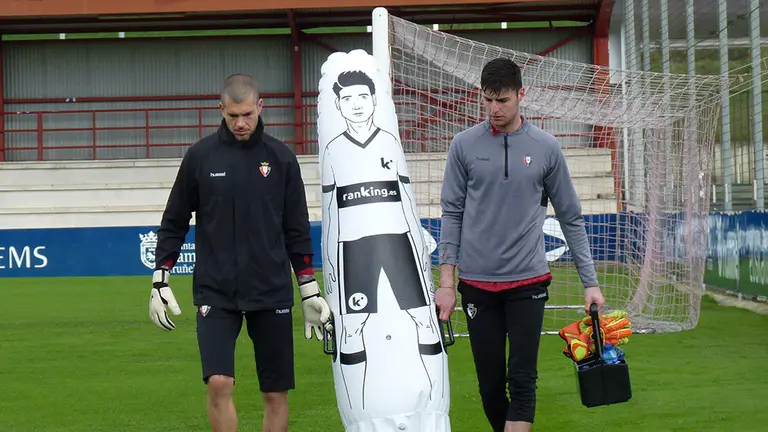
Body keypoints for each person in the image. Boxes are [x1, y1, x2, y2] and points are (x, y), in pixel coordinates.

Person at [147, 73, 332, 432]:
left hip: (271, 289)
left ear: (260, 107)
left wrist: (308, 289)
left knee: (275, 393)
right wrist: (160, 278)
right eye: (233, 116)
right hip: (216, 290)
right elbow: (174, 221)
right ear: (222, 110)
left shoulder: (281, 158)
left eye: (247, 114)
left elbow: (296, 229)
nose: (241, 123)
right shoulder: (200, 157)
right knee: (218, 382)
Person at [434, 58, 606, 432]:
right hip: (476, 285)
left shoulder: (546, 147)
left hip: (528, 283)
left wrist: (590, 282)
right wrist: (446, 283)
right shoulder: (463, 145)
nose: (494, 109)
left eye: (503, 100)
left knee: (523, 379)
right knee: (490, 388)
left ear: (521, 94)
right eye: (488, 100)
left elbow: (571, 217)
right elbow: (452, 214)